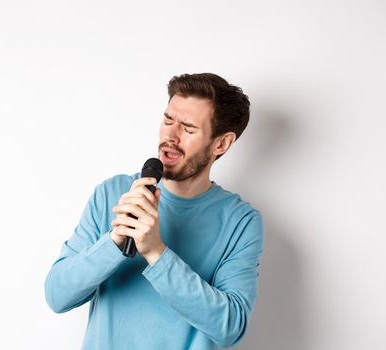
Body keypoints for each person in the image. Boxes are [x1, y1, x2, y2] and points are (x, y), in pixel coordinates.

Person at [44, 73, 264, 350]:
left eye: (188, 128)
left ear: (221, 143)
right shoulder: (113, 193)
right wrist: (114, 241)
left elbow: (230, 327)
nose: (170, 136)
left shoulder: (241, 222)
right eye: (168, 120)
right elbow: (57, 295)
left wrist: (155, 252)